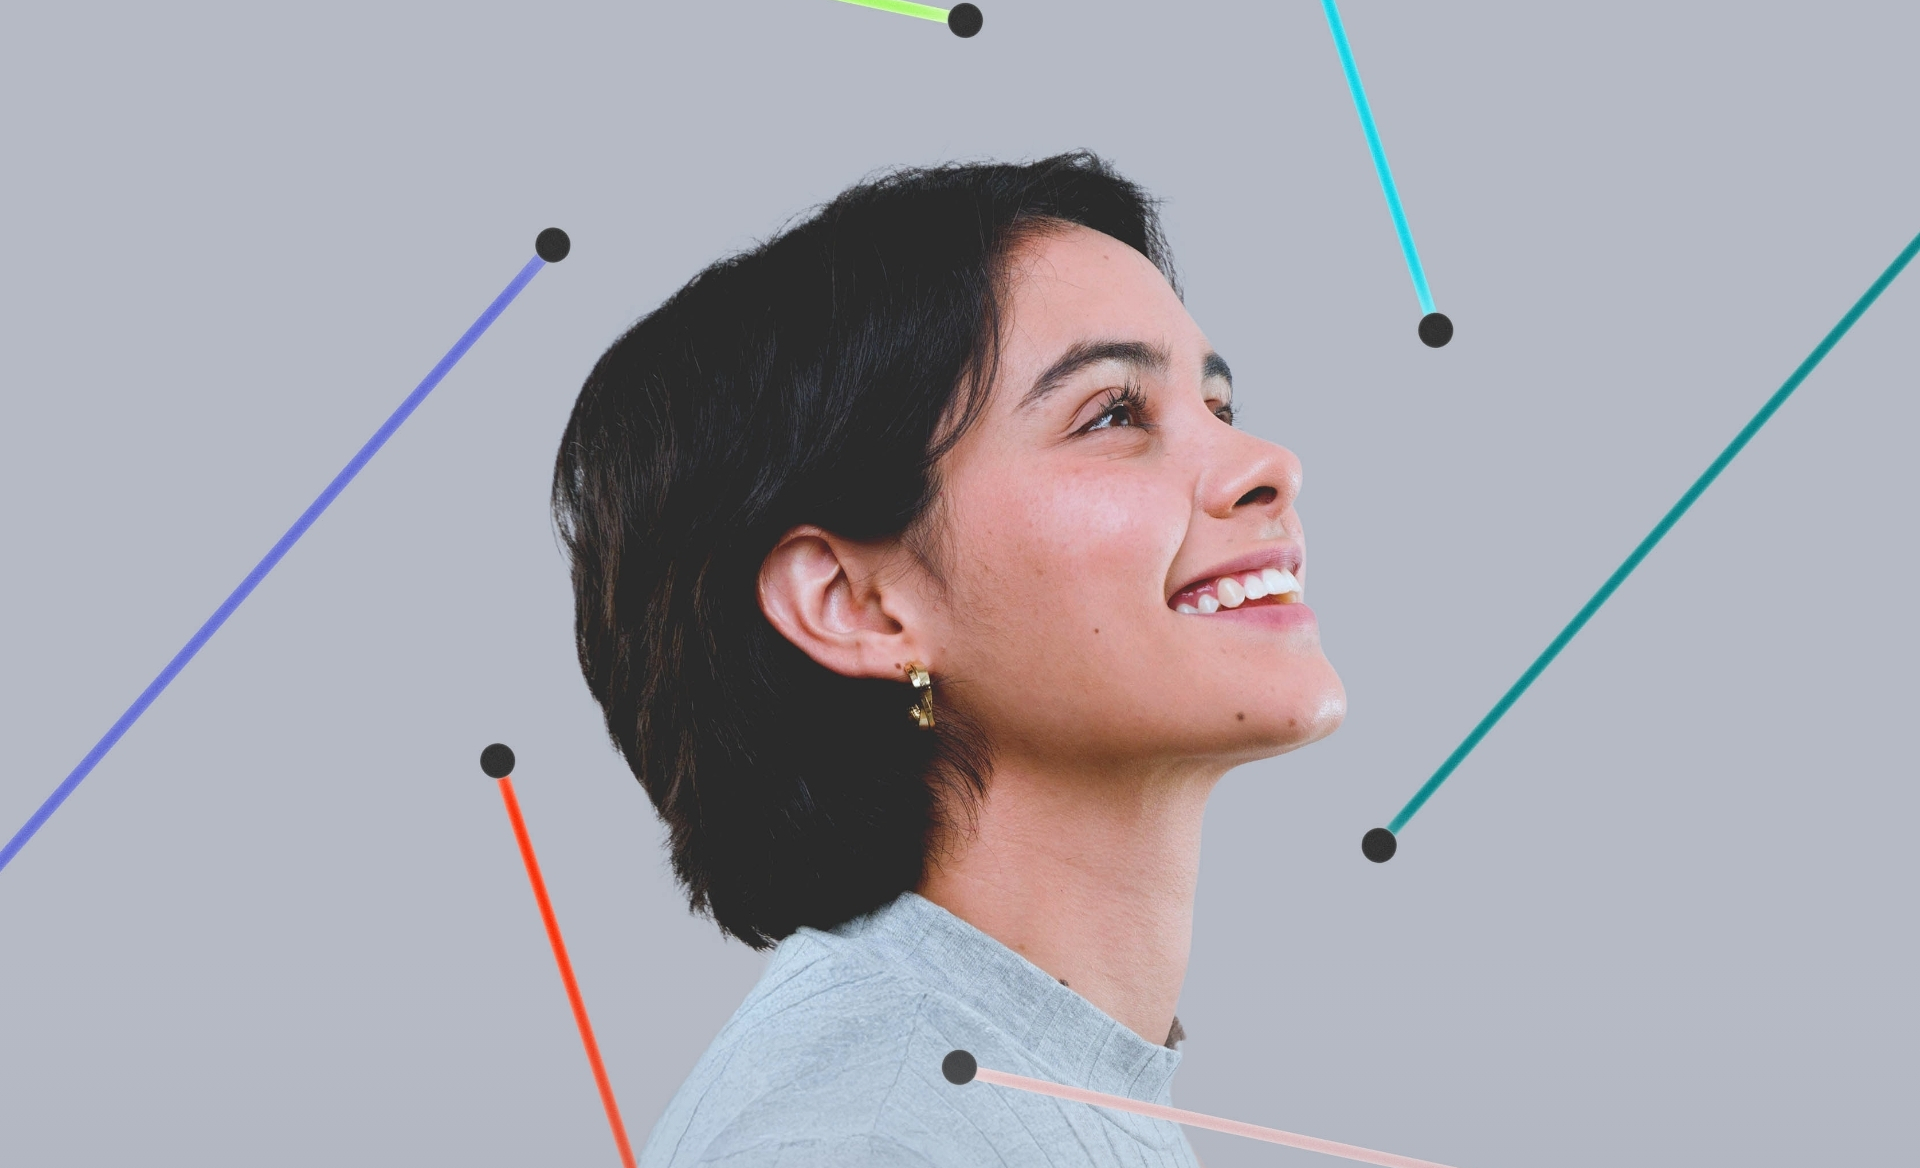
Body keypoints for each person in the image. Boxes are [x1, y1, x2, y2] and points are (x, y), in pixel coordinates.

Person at [552, 152, 1346, 1167]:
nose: (1267, 464)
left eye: (1218, 407)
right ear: (857, 606)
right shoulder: (872, 1139)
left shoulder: (1007, 1085)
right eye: (1112, 413)